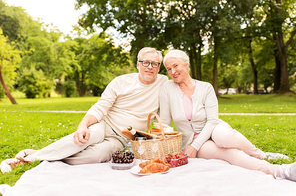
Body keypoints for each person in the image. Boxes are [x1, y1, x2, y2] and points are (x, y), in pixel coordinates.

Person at [1, 47, 168, 173]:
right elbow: (101, 106)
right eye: (145, 62)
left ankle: (41, 154)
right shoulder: (121, 81)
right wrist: (83, 126)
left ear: (159, 67)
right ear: (138, 64)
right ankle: (28, 160)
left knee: (96, 156)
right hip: (105, 125)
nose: (150, 67)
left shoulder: (163, 84)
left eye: (154, 63)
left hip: (122, 139)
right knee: (84, 139)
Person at [159, 49, 296, 182]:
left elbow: (212, 120)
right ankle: (278, 171)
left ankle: (261, 155)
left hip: (212, 127)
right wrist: (189, 145)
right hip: (192, 140)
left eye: (176, 66)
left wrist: (195, 147)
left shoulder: (206, 87)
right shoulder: (167, 88)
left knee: (225, 138)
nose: (173, 72)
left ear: (186, 64)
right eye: (169, 69)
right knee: (230, 154)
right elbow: (164, 123)